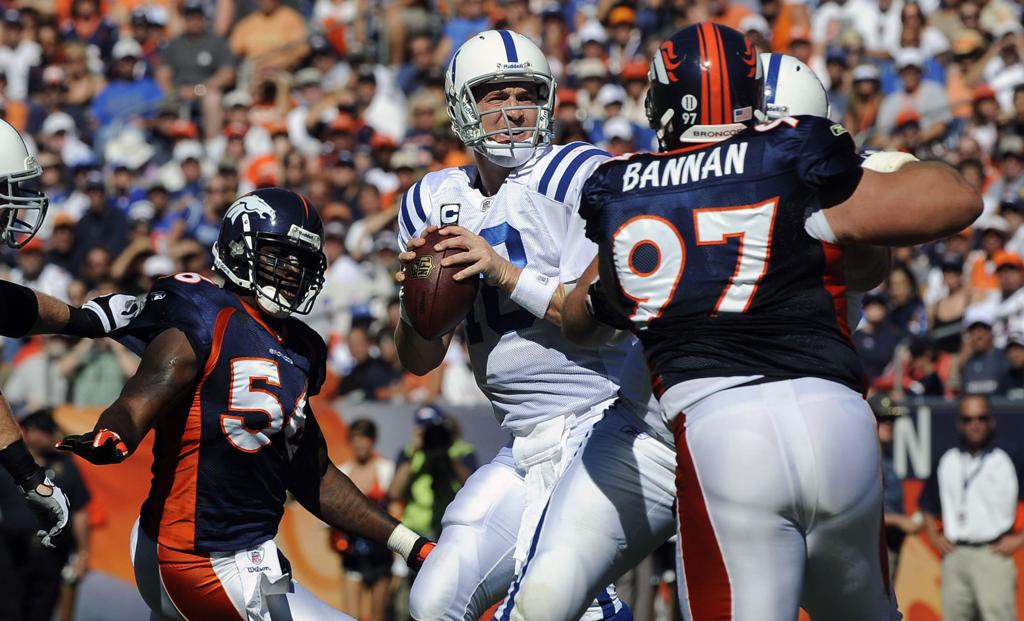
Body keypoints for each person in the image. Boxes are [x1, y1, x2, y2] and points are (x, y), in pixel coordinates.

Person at [564, 21, 980, 620]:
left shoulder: (624, 187)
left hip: (723, 430)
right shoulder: (792, 154)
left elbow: (581, 317)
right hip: (837, 421)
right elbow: (958, 199)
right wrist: (882, 168)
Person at [49, 188, 433, 621]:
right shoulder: (205, 312)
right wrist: (118, 430)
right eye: (279, 256)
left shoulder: (304, 349)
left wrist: (410, 543)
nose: (292, 272)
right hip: (191, 555)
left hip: (251, 557)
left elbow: (313, 473)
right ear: (238, 248)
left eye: (303, 262)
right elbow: (152, 384)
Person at [395, 30, 675, 621]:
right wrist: (414, 302)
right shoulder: (431, 200)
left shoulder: (574, 174)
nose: (515, 109)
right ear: (461, 105)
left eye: (527, 93)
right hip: (524, 444)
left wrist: (501, 271)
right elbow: (420, 359)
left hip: (604, 426)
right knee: (432, 602)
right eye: (495, 95)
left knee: (555, 607)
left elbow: (596, 324)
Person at [919, 394, 1024, 621]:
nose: (975, 424)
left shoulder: (1009, 457)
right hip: (955, 556)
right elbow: (927, 503)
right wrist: (934, 536)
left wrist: (1020, 539)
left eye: (980, 418)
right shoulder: (947, 459)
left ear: (991, 421)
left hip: (992, 554)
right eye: (968, 419)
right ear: (959, 423)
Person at [15, 410, 92, 621]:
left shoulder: (65, 467)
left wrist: (83, 554)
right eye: (46, 432)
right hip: (12, 551)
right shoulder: (8, 465)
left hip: (51, 554)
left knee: (42, 610)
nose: (51, 437)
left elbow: (79, 511)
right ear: (29, 433)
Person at [333, 419, 395, 621]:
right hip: (352, 554)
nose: (361, 444)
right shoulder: (342, 472)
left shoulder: (386, 470)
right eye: (356, 438)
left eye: (365, 438)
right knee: (349, 617)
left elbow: (394, 510)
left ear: (373, 441)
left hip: (380, 553)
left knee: (379, 616)